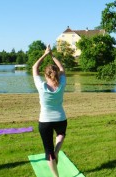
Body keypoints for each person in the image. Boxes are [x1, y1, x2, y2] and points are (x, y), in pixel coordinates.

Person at [32, 44, 67, 177]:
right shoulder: (62, 84)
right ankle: (57, 151)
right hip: (60, 118)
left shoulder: (41, 86)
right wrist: (52, 55)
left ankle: (56, 175)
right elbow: (62, 68)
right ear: (56, 74)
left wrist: (45, 54)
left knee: (48, 152)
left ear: (45, 75)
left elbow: (34, 67)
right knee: (61, 134)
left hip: (45, 121)